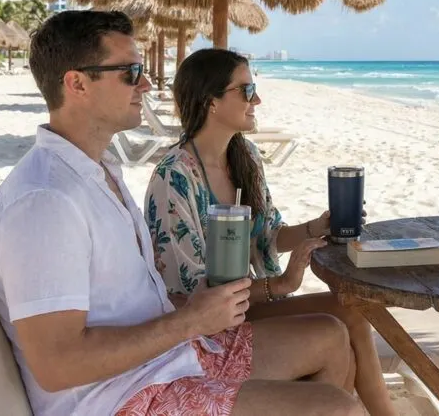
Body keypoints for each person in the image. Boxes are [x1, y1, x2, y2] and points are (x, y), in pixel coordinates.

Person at [0, 11, 363, 416]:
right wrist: (190, 321)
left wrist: (191, 309)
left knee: (330, 336)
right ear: (76, 83)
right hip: (118, 397)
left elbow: (130, 300)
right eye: (130, 72)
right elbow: (58, 365)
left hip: (164, 359)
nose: (146, 83)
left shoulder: (96, 173)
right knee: (337, 409)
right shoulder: (45, 203)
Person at [144, 48, 397, 416]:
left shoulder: (244, 156)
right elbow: (189, 293)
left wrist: (316, 228)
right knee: (336, 331)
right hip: (207, 323)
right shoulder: (174, 177)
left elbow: (266, 237)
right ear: (210, 101)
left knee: (351, 312)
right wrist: (276, 287)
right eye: (245, 91)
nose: (257, 99)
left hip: (246, 302)